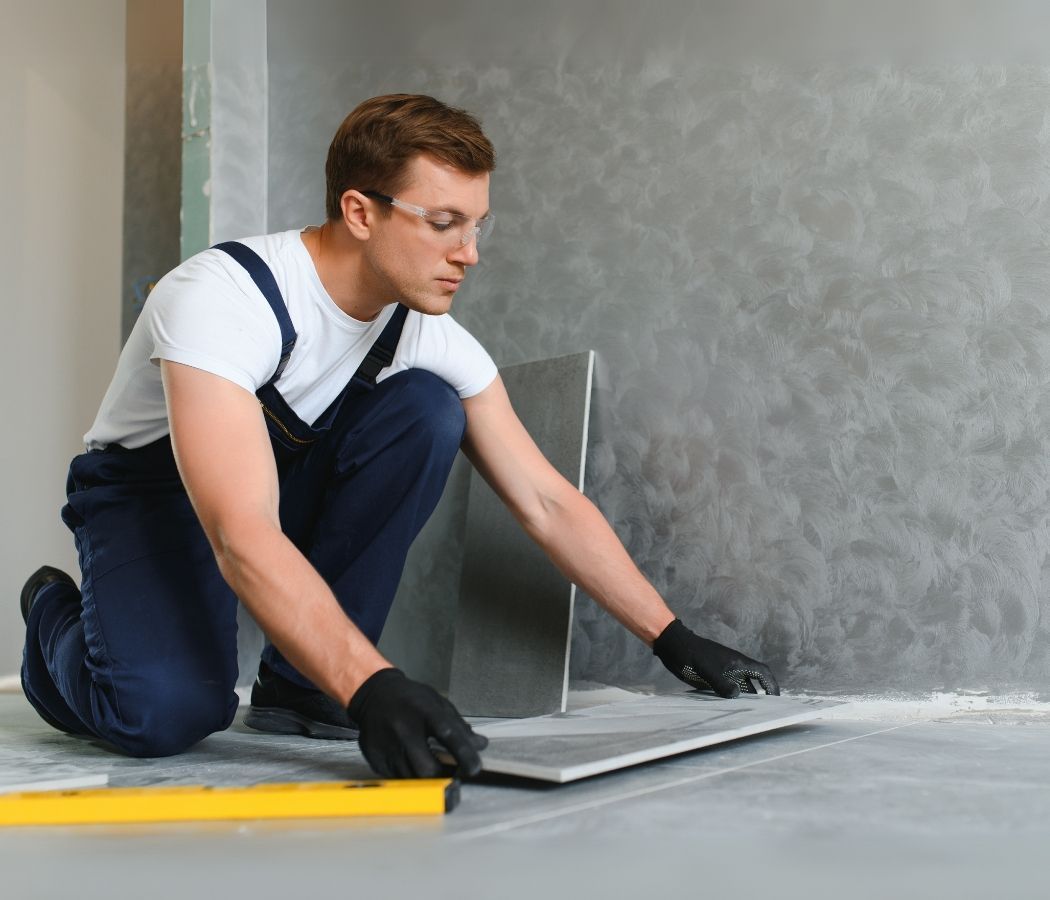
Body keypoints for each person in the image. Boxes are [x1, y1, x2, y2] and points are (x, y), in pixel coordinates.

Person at [20, 94, 779, 779]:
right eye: (444, 224)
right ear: (359, 212)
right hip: (156, 503)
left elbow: (545, 499)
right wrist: (372, 683)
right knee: (164, 718)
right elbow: (240, 534)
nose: (469, 253)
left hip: (264, 490)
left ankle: (302, 688)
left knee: (427, 408)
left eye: (478, 226)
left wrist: (673, 638)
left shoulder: (425, 336)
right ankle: (53, 615)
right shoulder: (221, 299)